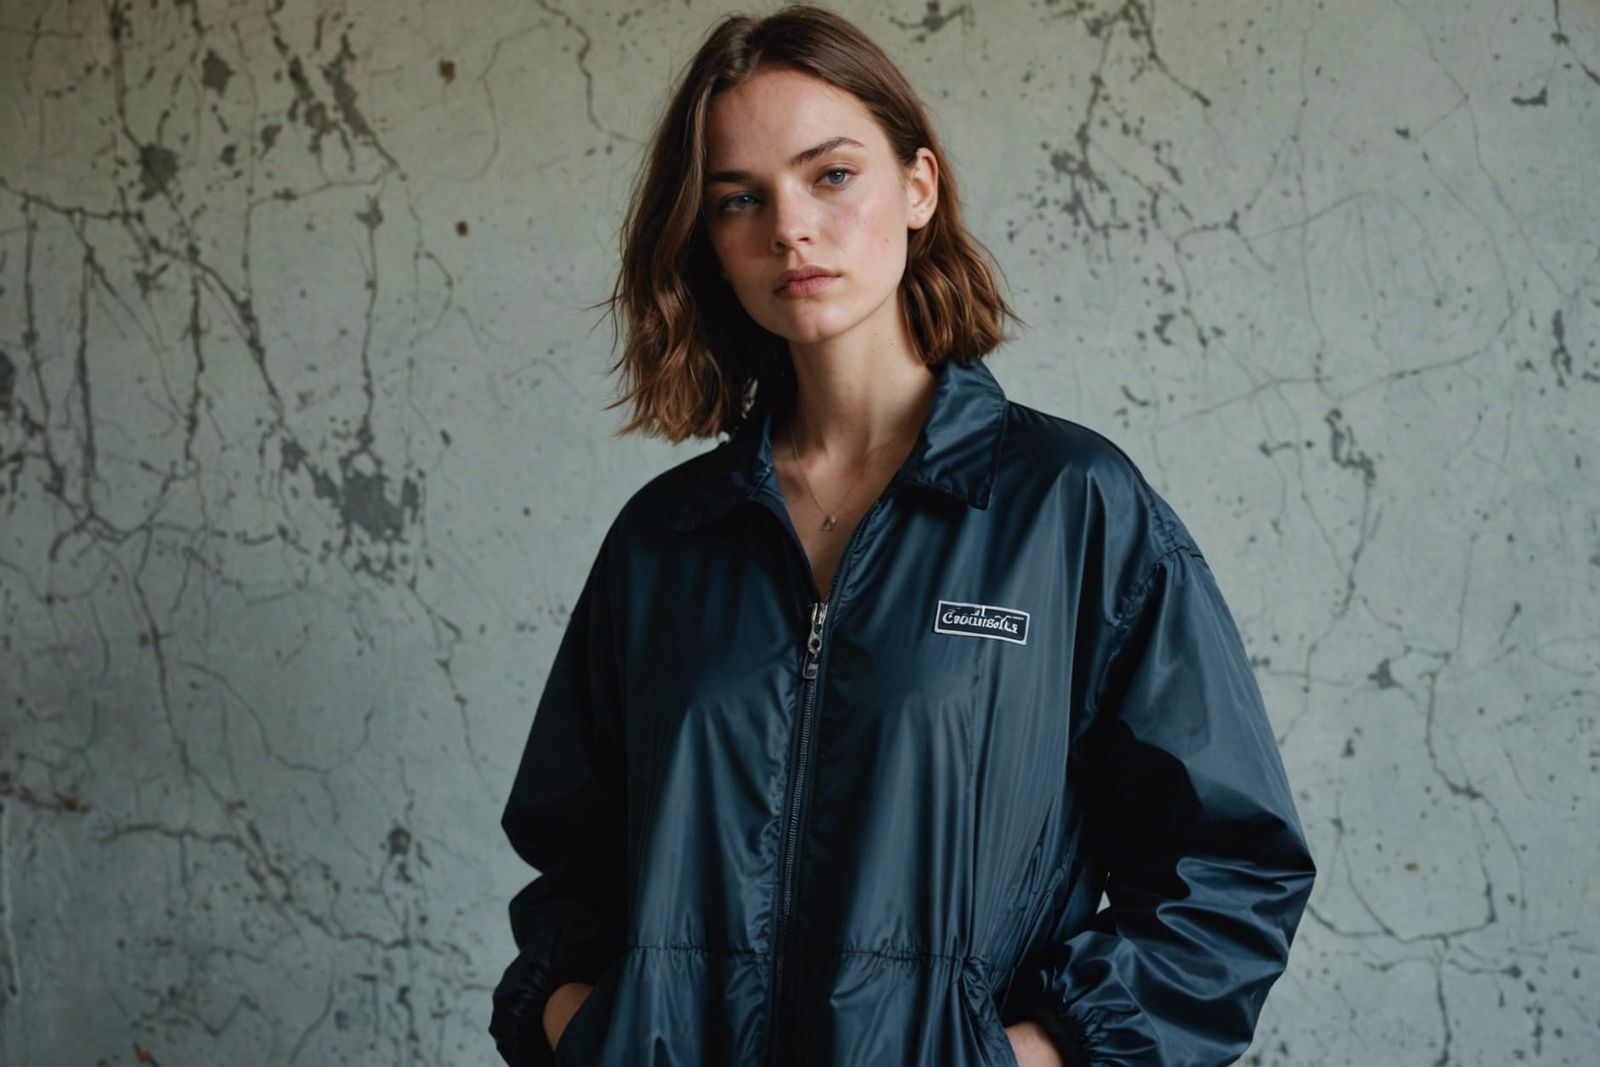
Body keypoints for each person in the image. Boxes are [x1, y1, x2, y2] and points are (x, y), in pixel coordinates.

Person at [489, 6, 1316, 1066]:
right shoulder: (667, 539)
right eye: (740, 198)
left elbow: (1229, 867)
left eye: (830, 174)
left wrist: (1026, 1058)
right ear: (712, 239)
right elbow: (574, 863)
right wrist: (575, 1019)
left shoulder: (1070, 510)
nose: (789, 226)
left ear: (917, 185)